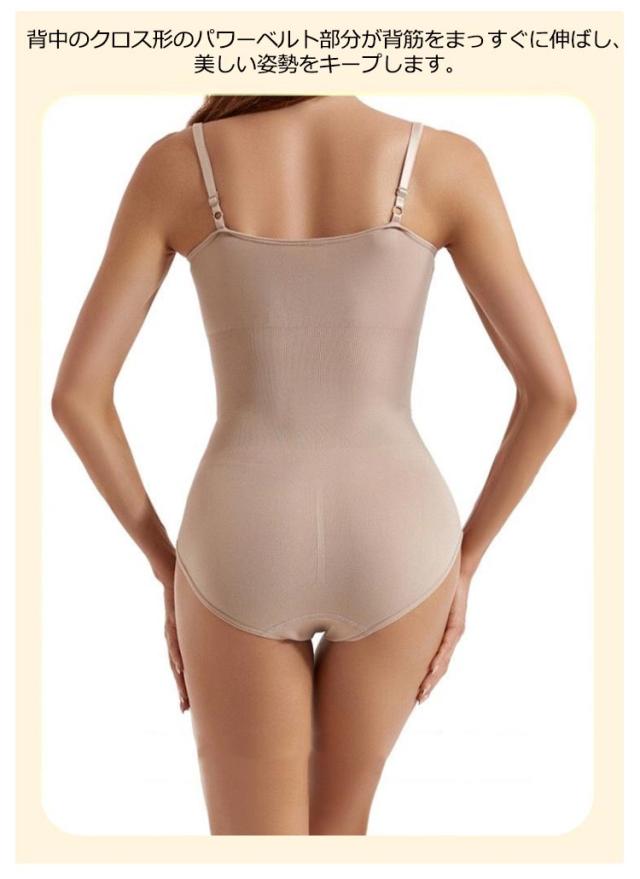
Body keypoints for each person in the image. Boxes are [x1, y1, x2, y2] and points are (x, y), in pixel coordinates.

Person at [51, 95, 577, 835]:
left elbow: (77, 397)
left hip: (239, 533)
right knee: (339, 836)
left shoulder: (179, 164)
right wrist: (466, 560)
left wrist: (166, 567)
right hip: (399, 531)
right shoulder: (445, 162)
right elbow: (552, 395)